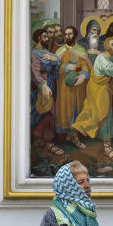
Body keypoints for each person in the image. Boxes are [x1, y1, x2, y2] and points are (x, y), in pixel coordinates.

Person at [54, 26, 91, 148]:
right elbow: (54, 69)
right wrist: (65, 67)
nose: (67, 36)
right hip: (65, 88)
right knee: (67, 111)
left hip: (79, 87)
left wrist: (83, 76)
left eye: (70, 34)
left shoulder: (81, 50)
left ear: (74, 35)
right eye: (66, 34)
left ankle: (73, 134)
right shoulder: (60, 52)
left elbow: (85, 66)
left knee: (78, 110)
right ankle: (73, 137)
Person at [31, 28, 64, 156]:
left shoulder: (45, 52)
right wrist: (42, 85)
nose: (48, 38)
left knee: (49, 112)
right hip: (42, 85)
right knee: (44, 112)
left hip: (51, 82)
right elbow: (34, 72)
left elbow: (57, 63)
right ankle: (48, 142)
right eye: (45, 36)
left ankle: (40, 139)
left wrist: (54, 60)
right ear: (39, 38)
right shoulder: (34, 53)